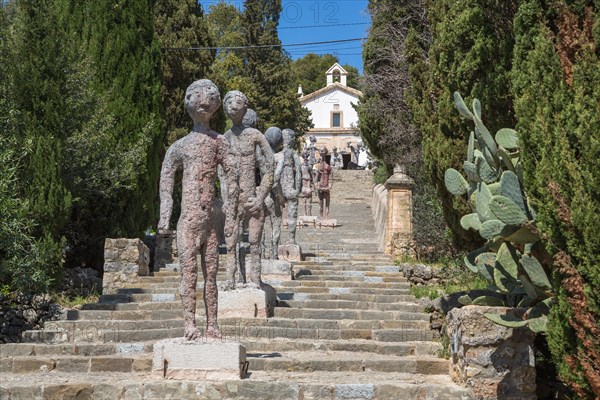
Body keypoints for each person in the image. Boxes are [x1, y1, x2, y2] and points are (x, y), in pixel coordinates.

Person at [158, 79, 233, 340]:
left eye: (209, 96)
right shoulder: (180, 146)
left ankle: (212, 324)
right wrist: (164, 215)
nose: (203, 100)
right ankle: (190, 324)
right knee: (188, 273)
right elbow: (166, 179)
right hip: (188, 220)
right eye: (197, 96)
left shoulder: (219, 142)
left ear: (216, 103)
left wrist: (231, 212)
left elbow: (230, 177)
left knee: (211, 275)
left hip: (210, 222)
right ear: (188, 101)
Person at [222, 91, 274, 289]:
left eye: (237, 101)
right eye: (228, 101)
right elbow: (221, 172)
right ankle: (230, 280)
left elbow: (269, 166)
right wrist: (226, 198)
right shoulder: (224, 138)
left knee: (254, 244)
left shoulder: (255, 135)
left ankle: (255, 280)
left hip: (252, 198)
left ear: (245, 107)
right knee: (230, 244)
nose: (232, 105)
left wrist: (261, 196)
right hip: (234, 201)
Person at [315, 147, 333, 219]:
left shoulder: (327, 166)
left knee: (327, 204)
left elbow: (331, 176)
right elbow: (316, 177)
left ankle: (326, 217)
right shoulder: (319, 166)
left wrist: (331, 184)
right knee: (320, 204)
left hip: (326, 185)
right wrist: (316, 184)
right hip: (321, 185)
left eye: (323, 151)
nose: (321, 153)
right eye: (321, 151)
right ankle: (322, 217)